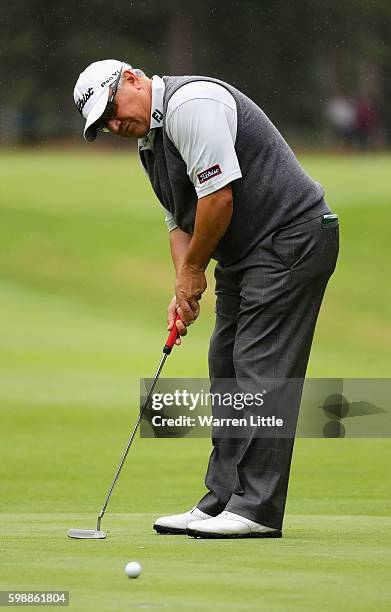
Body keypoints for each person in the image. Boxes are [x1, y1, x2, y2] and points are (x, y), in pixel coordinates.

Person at [73, 59, 339, 539]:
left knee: (260, 367)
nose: (115, 124)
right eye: (104, 124)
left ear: (132, 79)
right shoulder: (149, 145)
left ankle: (256, 509)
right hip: (250, 251)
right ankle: (221, 501)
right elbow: (181, 221)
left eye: (113, 109)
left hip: (291, 237)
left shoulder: (192, 105)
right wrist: (183, 285)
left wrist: (195, 270)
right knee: (225, 361)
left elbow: (218, 198)